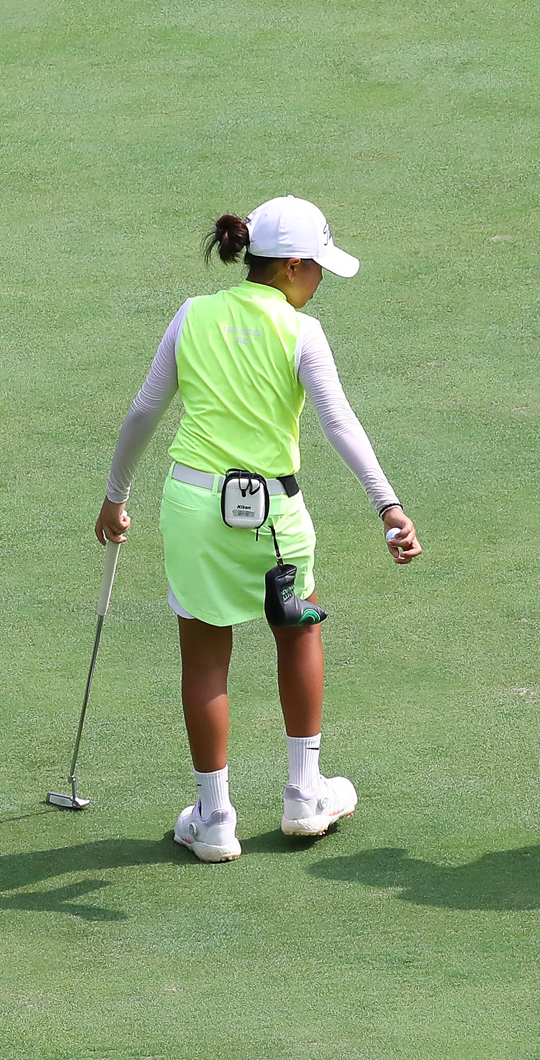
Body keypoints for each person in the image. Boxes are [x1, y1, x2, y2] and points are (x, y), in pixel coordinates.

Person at [96, 196, 421, 863]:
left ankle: (213, 818)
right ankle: (306, 795)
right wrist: (387, 506)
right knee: (296, 630)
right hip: (275, 515)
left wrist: (114, 497)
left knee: (205, 652)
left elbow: (142, 413)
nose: (323, 280)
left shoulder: (194, 313)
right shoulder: (303, 331)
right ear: (293, 266)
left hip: (193, 508)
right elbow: (340, 425)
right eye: (319, 267)